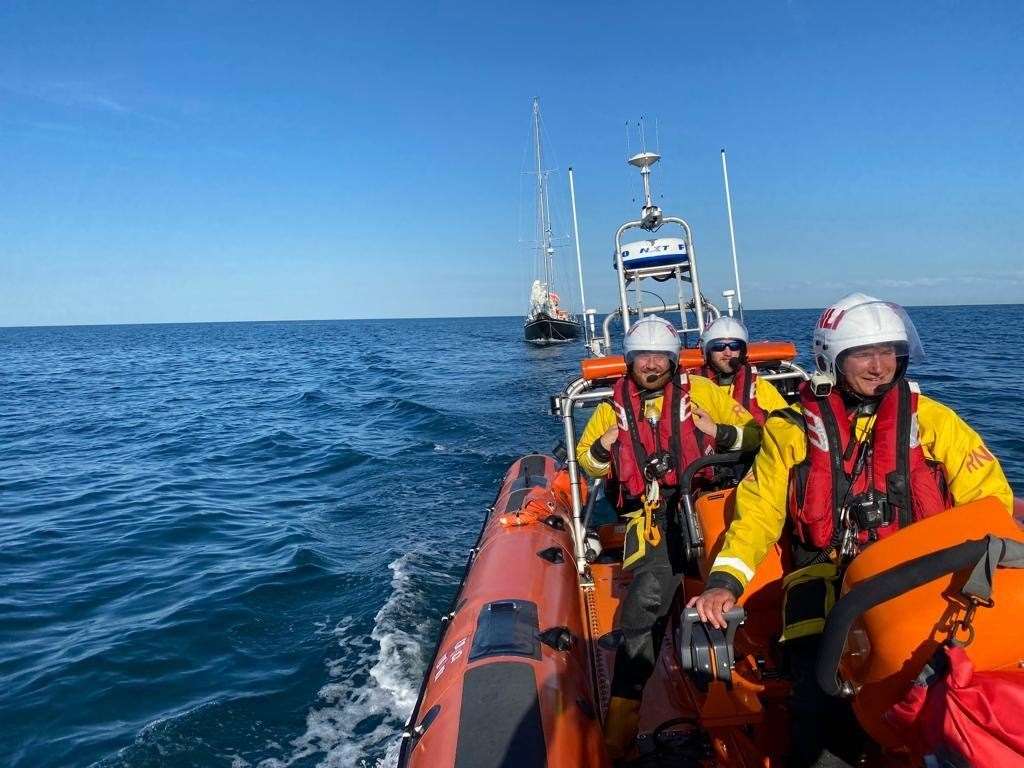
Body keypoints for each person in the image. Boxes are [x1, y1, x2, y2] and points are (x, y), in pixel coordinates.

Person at [688, 293, 1013, 767]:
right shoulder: (790, 429)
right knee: (821, 711)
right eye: (863, 353)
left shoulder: (934, 421)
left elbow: (991, 501)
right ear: (831, 359)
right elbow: (757, 513)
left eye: (889, 353)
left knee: (958, 688)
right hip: (823, 589)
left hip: (916, 586)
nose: (880, 367)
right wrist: (723, 582)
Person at [576, 315, 762, 760]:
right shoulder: (611, 408)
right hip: (650, 516)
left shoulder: (704, 393)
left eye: (661, 357)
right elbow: (588, 461)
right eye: (644, 358)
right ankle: (623, 719)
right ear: (631, 362)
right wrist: (604, 445)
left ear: (675, 361)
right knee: (645, 600)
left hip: (702, 501)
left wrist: (719, 433)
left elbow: (754, 433)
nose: (652, 365)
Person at [698, 315, 789, 424]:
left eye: (734, 346)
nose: (728, 353)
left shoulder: (761, 388)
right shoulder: (693, 388)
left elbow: (786, 426)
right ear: (707, 352)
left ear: (742, 351)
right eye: (719, 346)